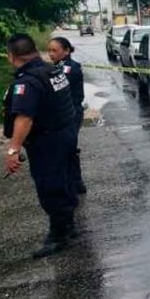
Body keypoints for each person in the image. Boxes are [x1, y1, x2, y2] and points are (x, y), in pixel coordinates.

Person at [3, 33, 78, 258]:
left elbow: (24, 118)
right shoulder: (52, 70)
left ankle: (59, 236)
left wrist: (13, 149)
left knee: (50, 187)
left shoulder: (28, 81)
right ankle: (68, 226)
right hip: (65, 133)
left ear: (11, 56)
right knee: (64, 182)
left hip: (48, 142)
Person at [47, 36, 86, 194]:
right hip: (63, 114)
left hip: (71, 113)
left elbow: (57, 88)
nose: (51, 54)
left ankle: (75, 183)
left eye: (55, 50)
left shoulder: (70, 68)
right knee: (66, 148)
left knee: (68, 148)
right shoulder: (58, 66)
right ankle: (74, 183)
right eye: (49, 50)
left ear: (67, 50)